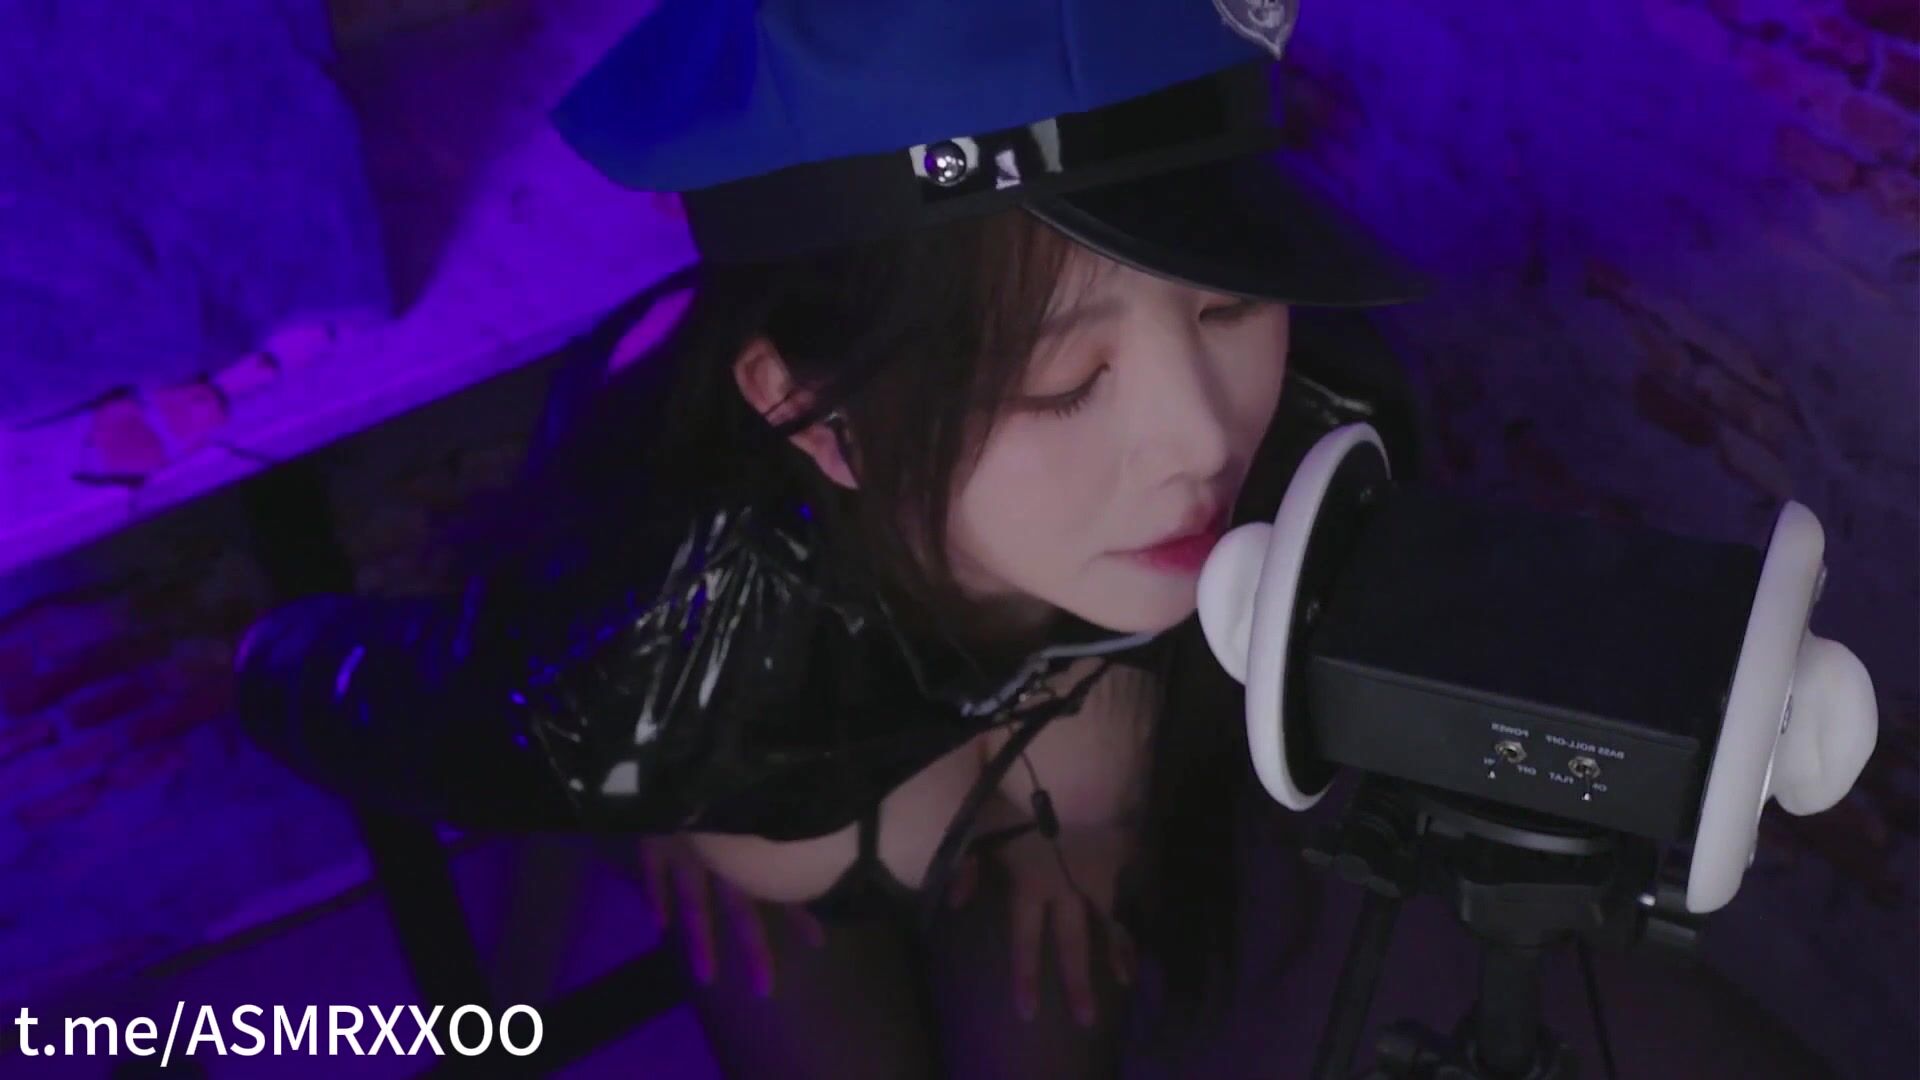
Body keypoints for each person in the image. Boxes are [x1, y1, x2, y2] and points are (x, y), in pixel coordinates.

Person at [229, 1, 1426, 1075]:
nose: (1203, 440)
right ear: (822, 418)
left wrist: (1102, 833)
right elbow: (355, 689)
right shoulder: (658, 661)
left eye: (1229, 298)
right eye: (1062, 380)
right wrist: (640, 779)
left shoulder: (1321, 429)